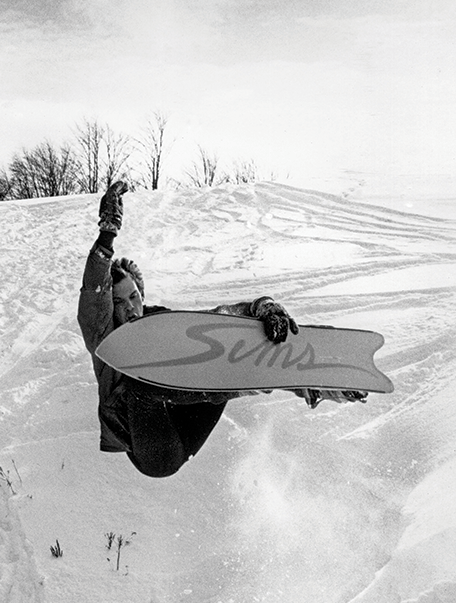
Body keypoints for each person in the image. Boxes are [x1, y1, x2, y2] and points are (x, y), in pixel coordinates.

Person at [77, 181, 365, 479]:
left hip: (189, 426)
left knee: (225, 350)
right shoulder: (105, 336)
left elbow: (219, 321)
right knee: (141, 385)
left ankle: (326, 385)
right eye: (119, 302)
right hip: (154, 451)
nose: (130, 308)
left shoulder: (161, 324)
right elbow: (93, 298)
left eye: (134, 297)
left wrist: (261, 307)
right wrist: (107, 234)